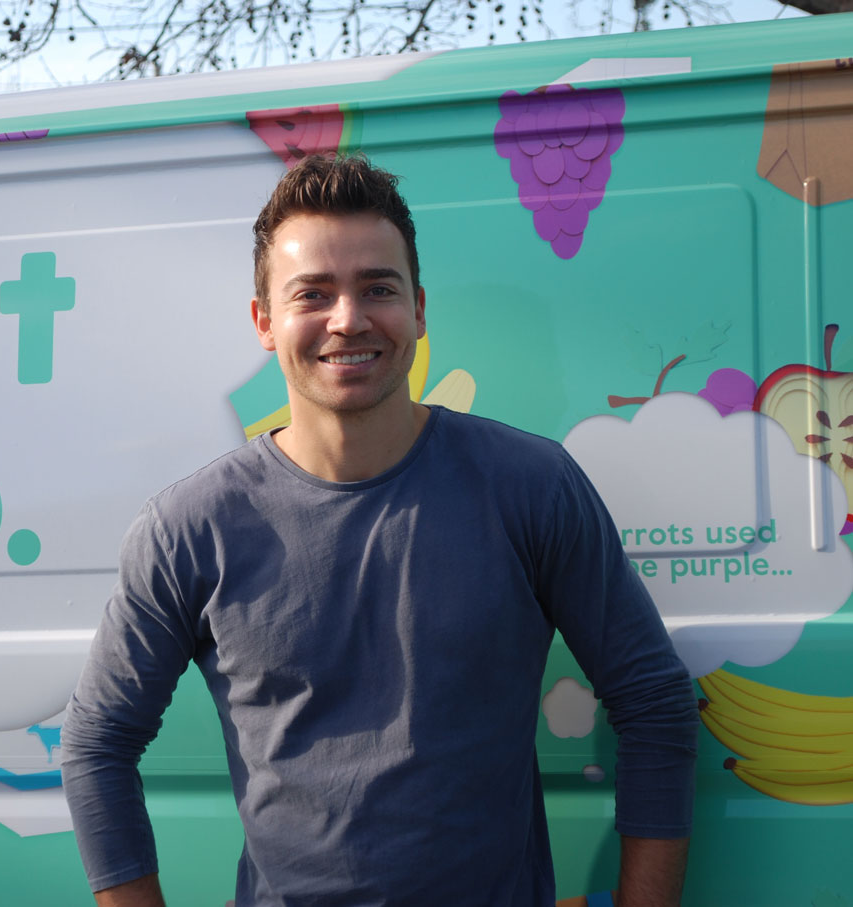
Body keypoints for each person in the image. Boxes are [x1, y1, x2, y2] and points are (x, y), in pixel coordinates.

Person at [61, 154, 698, 906]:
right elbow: (96, 747)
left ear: (418, 309)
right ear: (264, 321)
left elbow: (654, 703)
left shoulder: (530, 486)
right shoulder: (189, 528)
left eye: (377, 288)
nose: (348, 319)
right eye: (313, 294)